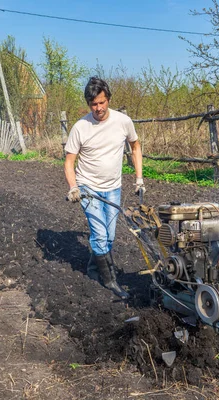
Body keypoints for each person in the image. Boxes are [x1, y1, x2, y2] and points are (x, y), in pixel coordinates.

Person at [64, 76, 145, 299]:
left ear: (108, 98)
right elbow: (70, 162)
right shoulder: (80, 127)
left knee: (109, 237)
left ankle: (92, 269)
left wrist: (139, 178)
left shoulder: (123, 121)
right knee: (100, 235)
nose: (98, 108)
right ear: (88, 104)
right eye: (93, 104)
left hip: (113, 188)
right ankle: (110, 281)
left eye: (102, 102)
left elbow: (135, 147)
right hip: (88, 187)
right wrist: (73, 187)